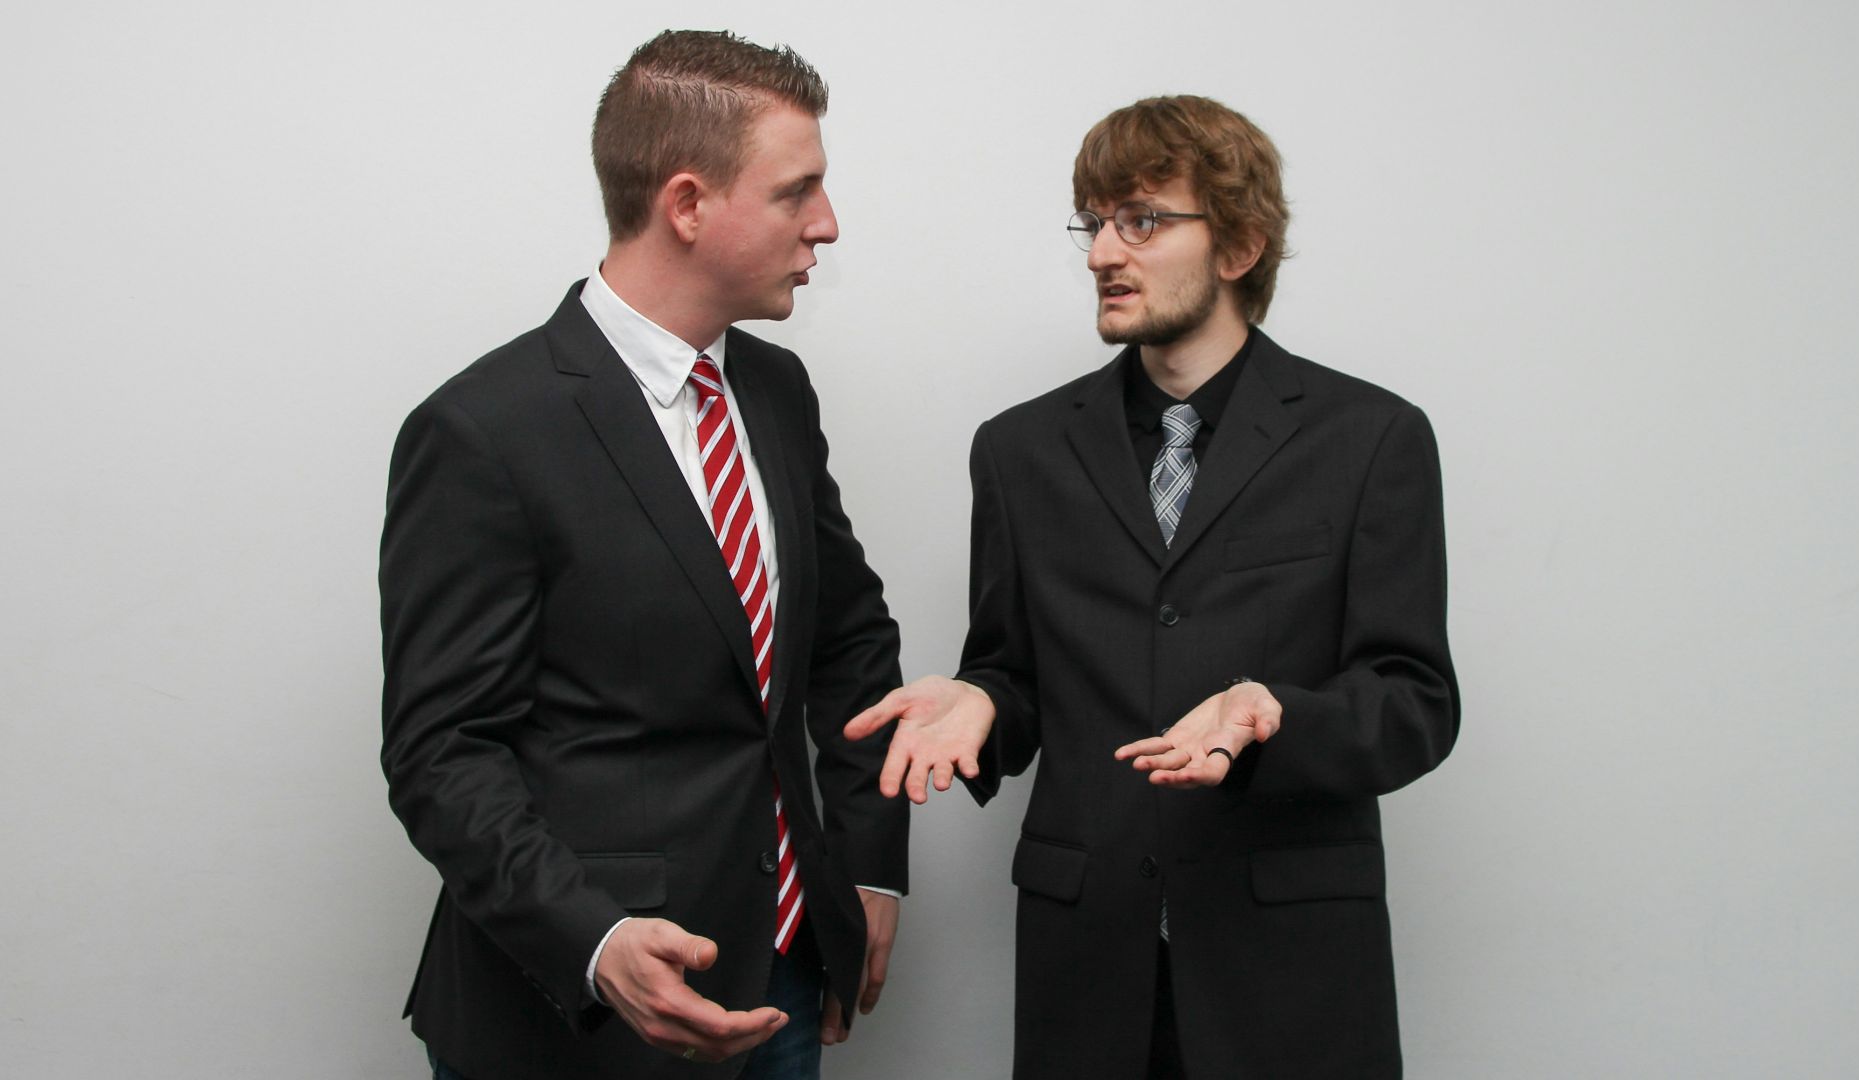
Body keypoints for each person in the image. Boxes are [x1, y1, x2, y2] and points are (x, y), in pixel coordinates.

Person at [846, 95, 1459, 1078]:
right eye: (1093, 223)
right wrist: (981, 701)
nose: (1102, 253)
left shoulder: (1371, 440)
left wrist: (1273, 714)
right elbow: (1013, 674)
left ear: (1239, 246)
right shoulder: (1019, 452)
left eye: (1141, 220)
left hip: (1291, 972)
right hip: (1089, 969)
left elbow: (1415, 703)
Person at [380, 30, 905, 1080]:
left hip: (786, 974)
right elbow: (443, 752)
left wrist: (871, 869)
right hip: (570, 1019)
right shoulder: (484, 430)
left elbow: (850, 644)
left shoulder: (776, 392)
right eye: (796, 191)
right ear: (687, 204)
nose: (828, 223)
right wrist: (596, 942)